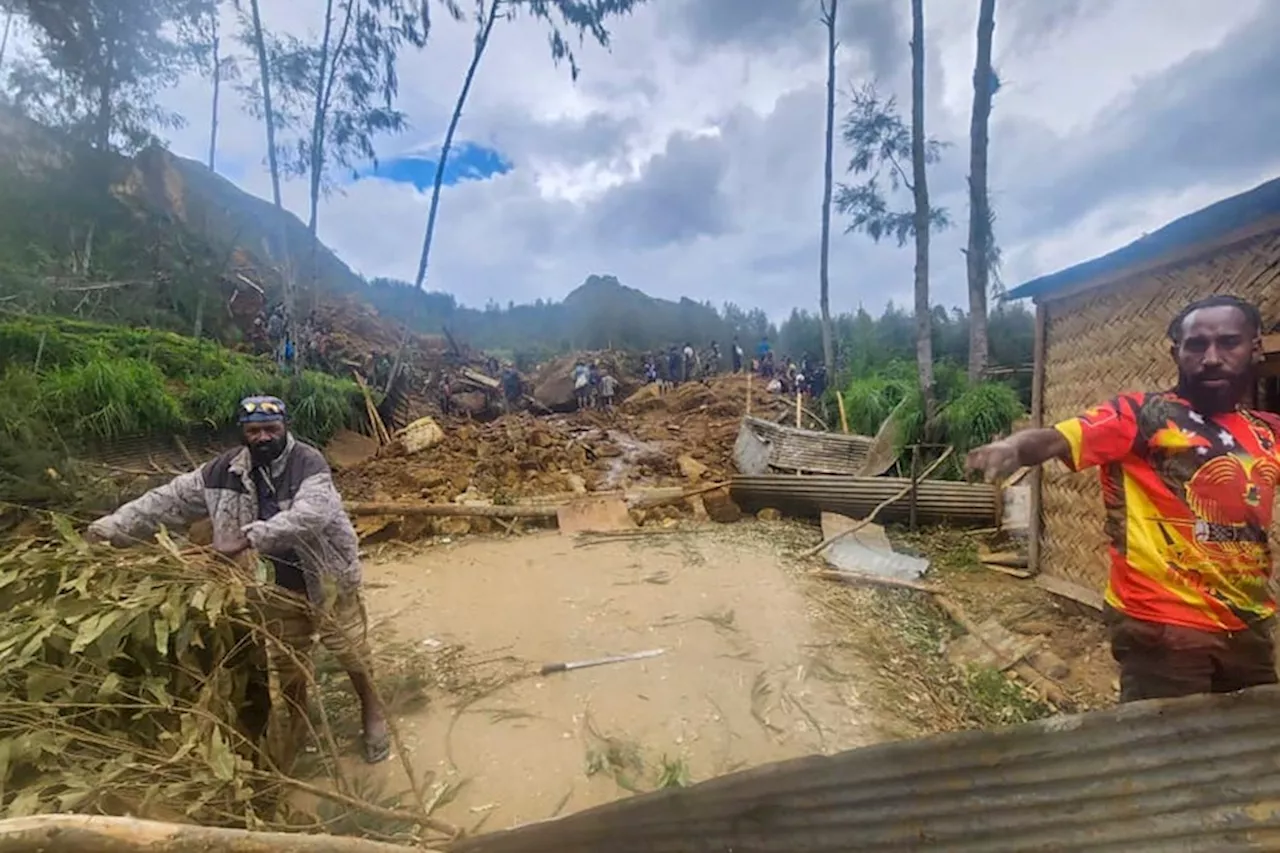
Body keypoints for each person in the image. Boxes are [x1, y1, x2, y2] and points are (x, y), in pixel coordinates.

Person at [966, 295, 1280, 702]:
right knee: (1165, 750)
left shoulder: (1267, 432)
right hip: (1162, 623)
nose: (1212, 358)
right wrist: (1012, 447)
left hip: (1249, 623)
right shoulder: (1139, 415)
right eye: (1197, 345)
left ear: (1255, 347)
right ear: (1176, 353)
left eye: (1228, 342)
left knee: (1251, 750)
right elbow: (1057, 437)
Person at [85, 395, 391, 763]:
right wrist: (111, 527)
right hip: (271, 585)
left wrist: (248, 538)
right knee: (287, 661)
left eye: (270, 429)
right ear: (243, 433)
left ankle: (372, 712)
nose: (263, 437)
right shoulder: (221, 472)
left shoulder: (307, 463)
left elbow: (312, 514)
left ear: (285, 428)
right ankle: (299, 724)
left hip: (326, 577)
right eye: (254, 430)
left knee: (351, 649)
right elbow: (166, 501)